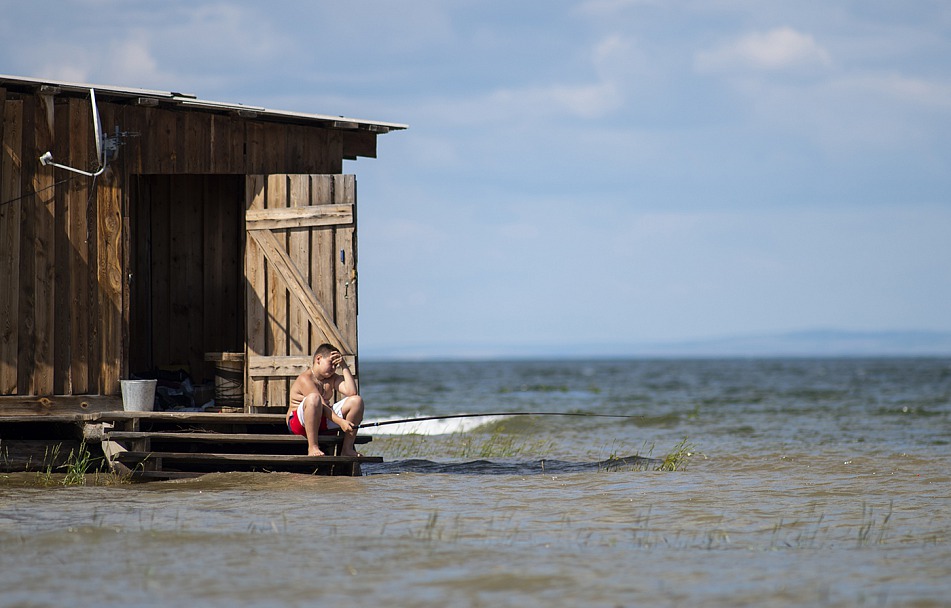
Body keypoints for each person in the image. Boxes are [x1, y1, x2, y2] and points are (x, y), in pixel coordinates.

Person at [286, 343, 365, 457]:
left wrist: (344, 365)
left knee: (357, 401)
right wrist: (341, 422)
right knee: (315, 398)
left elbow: (351, 392)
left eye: (335, 365)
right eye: (331, 363)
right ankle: (312, 447)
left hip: (323, 420)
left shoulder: (332, 378)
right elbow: (321, 404)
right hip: (300, 424)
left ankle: (347, 449)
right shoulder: (305, 378)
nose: (333, 368)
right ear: (318, 359)